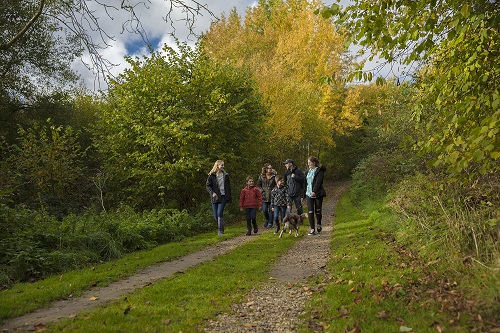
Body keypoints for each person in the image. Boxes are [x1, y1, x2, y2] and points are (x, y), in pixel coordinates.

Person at [206, 160, 232, 235]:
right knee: (215, 216)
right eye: (222, 165)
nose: (223, 166)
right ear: (217, 166)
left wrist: (229, 197)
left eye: (223, 165)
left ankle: (220, 231)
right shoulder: (211, 175)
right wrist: (212, 192)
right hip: (215, 197)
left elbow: (228, 187)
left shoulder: (226, 175)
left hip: (223, 196)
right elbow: (208, 186)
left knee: (219, 212)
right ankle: (221, 224)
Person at [303, 156, 326, 235]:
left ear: (314, 163)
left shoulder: (319, 171)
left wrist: (314, 191)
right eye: (308, 162)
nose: (308, 164)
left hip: (318, 194)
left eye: (309, 162)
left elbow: (318, 182)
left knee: (318, 211)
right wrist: (303, 196)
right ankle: (312, 229)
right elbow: (305, 184)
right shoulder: (307, 172)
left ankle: (319, 224)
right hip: (308, 194)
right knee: (310, 211)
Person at [257, 163, 276, 229]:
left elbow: (277, 185)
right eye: (269, 168)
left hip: (272, 196)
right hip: (264, 196)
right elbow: (258, 186)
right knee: (264, 210)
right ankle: (267, 219)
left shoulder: (274, 176)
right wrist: (262, 191)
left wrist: (275, 191)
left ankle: (270, 223)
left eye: (271, 168)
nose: (270, 169)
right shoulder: (261, 176)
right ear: (266, 169)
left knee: (271, 210)